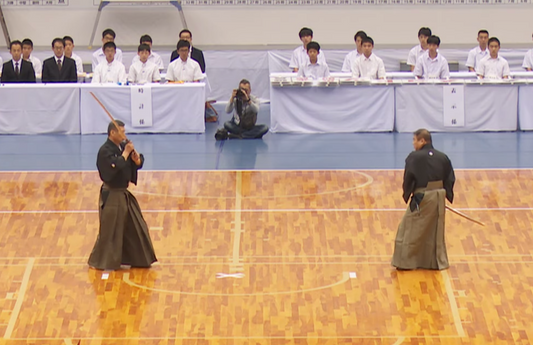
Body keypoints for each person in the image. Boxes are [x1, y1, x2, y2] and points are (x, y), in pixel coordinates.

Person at [88, 120, 157, 270]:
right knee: (111, 230)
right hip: (112, 195)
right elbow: (114, 167)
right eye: (122, 132)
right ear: (112, 133)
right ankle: (102, 261)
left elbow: (133, 163)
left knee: (136, 226)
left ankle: (138, 258)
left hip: (123, 194)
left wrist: (136, 160)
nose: (124, 134)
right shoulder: (105, 151)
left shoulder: (121, 148)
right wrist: (125, 153)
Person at [392, 129, 455, 271]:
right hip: (438, 197)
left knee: (408, 228)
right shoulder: (443, 157)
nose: (413, 144)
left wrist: (409, 193)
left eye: (415, 140)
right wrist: (445, 194)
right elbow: (450, 178)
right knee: (433, 230)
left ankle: (405, 262)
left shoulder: (414, 157)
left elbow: (409, 177)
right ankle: (434, 262)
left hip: (423, 196)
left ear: (422, 141)